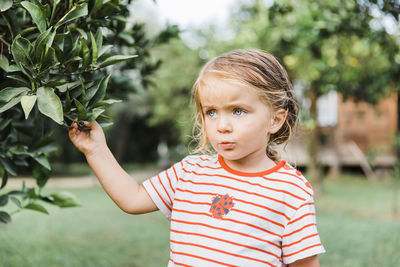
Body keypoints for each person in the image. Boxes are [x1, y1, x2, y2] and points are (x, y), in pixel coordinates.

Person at [69, 49, 325, 266]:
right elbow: (132, 199)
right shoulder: (190, 172)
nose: (222, 125)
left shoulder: (290, 190)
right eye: (211, 112)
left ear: (275, 119)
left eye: (238, 111)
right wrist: (96, 150)